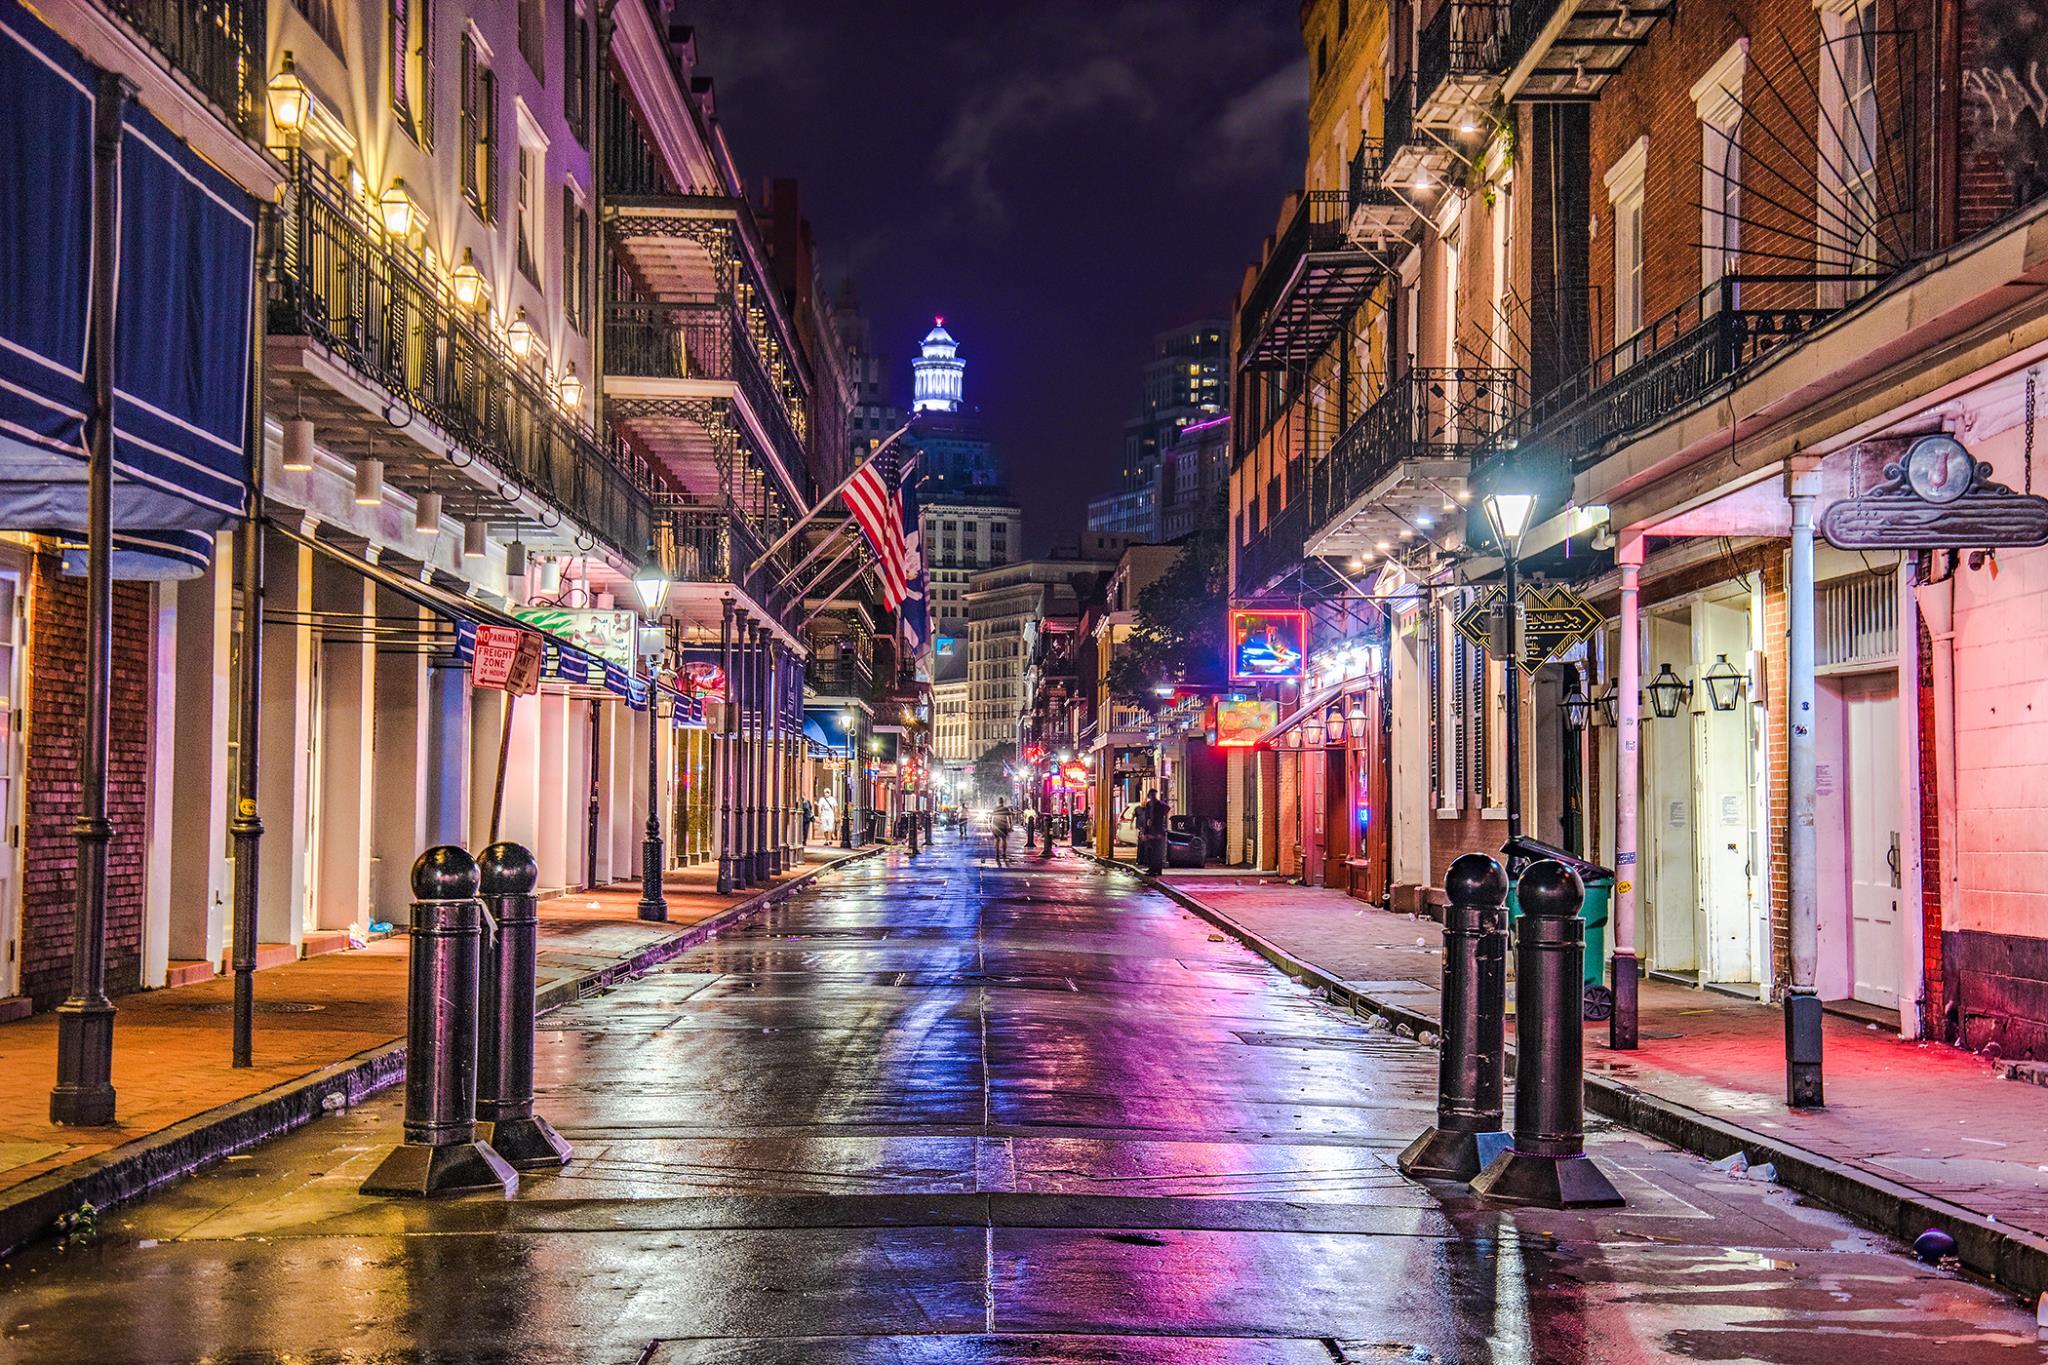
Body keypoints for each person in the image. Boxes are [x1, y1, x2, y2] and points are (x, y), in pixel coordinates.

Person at [1136, 788, 1168, 877]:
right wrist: (1145, 831)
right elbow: (1146, 818)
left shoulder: (1160, 805)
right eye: (1151, 795)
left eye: (1154, 795)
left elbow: (1166, 809)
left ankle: (1157, 869)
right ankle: (1152, 868)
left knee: (1157, 852)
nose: (1153, 797)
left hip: (1157, 831)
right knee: (1150, 851)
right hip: (1150, 830)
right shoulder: (1149, 805)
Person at [990, 800, 1015, 866]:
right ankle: (1004, 853)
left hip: (996, 825)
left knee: (996, 839)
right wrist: (1011, 826)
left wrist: (991, 825)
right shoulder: (1006, 809)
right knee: (1004, 839)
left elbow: (991, 818)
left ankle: (997, 852)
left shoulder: (995, 809)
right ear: (1003, 802)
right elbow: (1009, 818)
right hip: (1003, 826)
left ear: (998, 802)